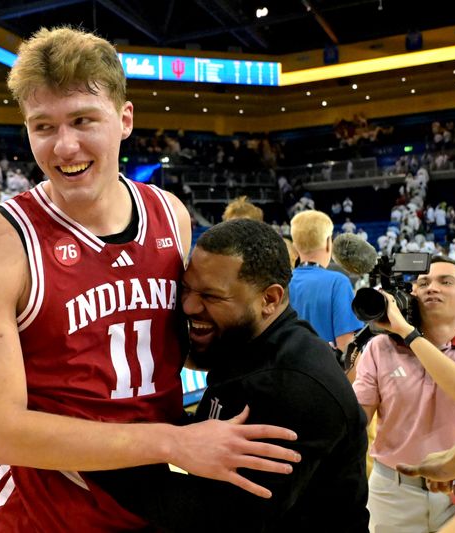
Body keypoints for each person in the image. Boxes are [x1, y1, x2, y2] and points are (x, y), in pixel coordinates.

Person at [0, 27, 299, 532]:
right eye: (42, 126)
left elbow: (191, 342)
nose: (64, 146)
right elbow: (2, 433)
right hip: (40, 517)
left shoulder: (169, 214)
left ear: (125, 119)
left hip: (152, 505)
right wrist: (173, 442)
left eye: (83, 120)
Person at [92, 219, 369, 532]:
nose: (189, 305)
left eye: (211, 296)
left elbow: (219, 518)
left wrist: (91, 449)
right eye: (186, 288)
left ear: (270, 299)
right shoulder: (247, 345)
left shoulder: (294, 387)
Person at [353, 256, 455, 532]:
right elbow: (356, 422)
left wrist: (407, 333)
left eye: (445, 281)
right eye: (423, 282)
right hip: (393, 489)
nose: (432, 287)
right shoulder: (380, 348)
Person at [289, 210, 363, 352]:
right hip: (325, 371)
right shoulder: (338, 283)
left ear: (295, 246)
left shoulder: (282, 282)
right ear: (329, 243)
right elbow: (348, 350)